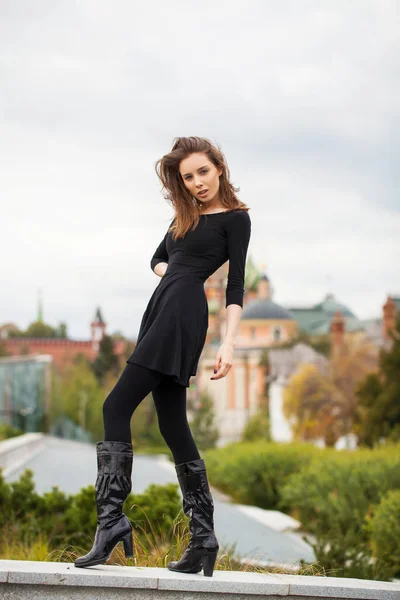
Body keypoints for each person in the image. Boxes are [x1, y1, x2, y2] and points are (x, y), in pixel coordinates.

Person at [74, 136, 251, 577]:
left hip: (182, 311)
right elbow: (156, 258)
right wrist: (173, 273)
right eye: (188, 177)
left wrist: (228, 344)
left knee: (115, 405)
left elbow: (235, 286)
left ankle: (111, 521)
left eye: (203, 172)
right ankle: (203, 538)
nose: (197, 183)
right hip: (163, 305)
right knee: (173, 424)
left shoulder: (235, 219)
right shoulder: (184, 216)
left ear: (220, 168)